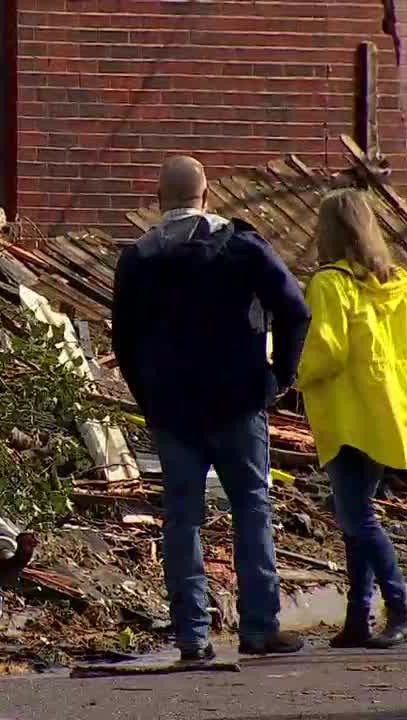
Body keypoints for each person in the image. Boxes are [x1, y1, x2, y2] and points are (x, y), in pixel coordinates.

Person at [112, 155, 312, 661]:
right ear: (206, 198)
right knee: (251, 509)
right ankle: (260, 627)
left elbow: (124, 341)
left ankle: (192, 636)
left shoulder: (138, 260)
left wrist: (148, 396)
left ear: (159, 201)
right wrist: (280, 376)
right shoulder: (241, 247)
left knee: (183, 520)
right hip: (239, 401)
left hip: (173, 411)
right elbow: (295, 309)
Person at [296, 189, 407, 649]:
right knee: (357, 513)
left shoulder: (328, 283)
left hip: (346, 412)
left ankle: (401, 607)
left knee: (356, 516)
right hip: (388, 412)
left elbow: (327, 350)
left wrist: (291, 375)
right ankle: (357, 616)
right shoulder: (398, 283)